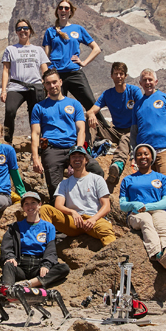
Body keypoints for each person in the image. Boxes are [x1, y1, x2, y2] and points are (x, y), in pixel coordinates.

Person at [31, 69, 104, 201]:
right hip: (52, 149)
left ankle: (94, 202)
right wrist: (36, 158)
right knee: (55, 188)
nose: (52, 86)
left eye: (54, 82)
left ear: (60, 82)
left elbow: (81, 130)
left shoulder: (74, 104)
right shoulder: (39, 107)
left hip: (73, 147)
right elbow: (35, 134)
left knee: (96, 169)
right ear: (45, 86)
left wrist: (79, 150)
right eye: (48, 83)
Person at [129, 68, 166, 225]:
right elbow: (134, 133)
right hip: (144, 155)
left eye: (150, 79)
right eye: (144, 80)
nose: (148, 82)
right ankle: (151, 219)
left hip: (163, 150)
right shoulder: (137, 105)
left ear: (156, 82)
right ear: (140, 83)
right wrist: (134, 155)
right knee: (146, 186)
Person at [42, 0, 105, 126]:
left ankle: (104, 133)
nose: (63, 10)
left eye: (66, 8)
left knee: (90, 102)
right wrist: (46, 79)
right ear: (57, 11)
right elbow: (45, 58)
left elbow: (96, 49)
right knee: (57, 106)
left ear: (70, 12)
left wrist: (84, 62)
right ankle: (59, 137)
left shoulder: (78, 29)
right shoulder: (50, 31)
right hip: (57, 74)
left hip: (75, 72)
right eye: (61, 8)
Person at [119, 144, 166, 271]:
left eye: (146, 154)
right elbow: (122, 205)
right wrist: (133, 205)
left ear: (152, 157)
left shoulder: (162, 178)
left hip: (157, 210)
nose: (143, 157)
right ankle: (157, 253)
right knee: (146, 220)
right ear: (135, 159)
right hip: (136, 213)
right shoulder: (127, 180)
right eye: (139, 154)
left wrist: (147, 206)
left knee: (163, 221)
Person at [39, 146, 116, 246]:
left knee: (105, 229)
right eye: (73, 156)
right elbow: (58, 205)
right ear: (70, 161)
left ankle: (119, 260)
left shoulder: (97, 179)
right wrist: (72, 212)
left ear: (86, 160)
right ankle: (45, 248)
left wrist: (93, 219)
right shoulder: (64, 183)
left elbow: (106, 206)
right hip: (73, 222)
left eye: (80, 156)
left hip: (93, 220)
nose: (77, 159)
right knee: (45, 209)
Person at [86, 62, 144, 191]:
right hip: (116, 131)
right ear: (111, 76)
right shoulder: (108, 94)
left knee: (126, 139)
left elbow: (143, 110)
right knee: (90, 122)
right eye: (116, 73)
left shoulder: (133, 91)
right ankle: (86, 152)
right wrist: (91, 115)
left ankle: (117, 166)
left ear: (125, 76)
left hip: (132, 131)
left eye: (121, 74)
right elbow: (91, 110)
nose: (118, 76)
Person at [0, 192, 70, 289]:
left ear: (39, 204)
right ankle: (7, 292)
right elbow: (6, 246)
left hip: (39, 267)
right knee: (8, 265)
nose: (30, 206)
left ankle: (30, 284)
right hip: (20, 265)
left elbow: (51, 250)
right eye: (26, 204)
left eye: (33, 202)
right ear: (23, 207)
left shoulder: (49, 227)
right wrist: (10, 257)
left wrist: (46, 265)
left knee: (64, 268)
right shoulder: (15, 227)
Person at [1, 19, 49, 142]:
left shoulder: (38, 50)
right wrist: (4, 90)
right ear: (16, 32)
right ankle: (7, 140)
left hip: (36, 86)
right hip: (16, 86)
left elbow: (45, 70)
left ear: (30, 30)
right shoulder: (10, 49)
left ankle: (38, 142)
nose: (22, 31)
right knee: (10, 111)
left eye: (25, 28)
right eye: (19, 29)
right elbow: (6, 70)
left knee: (36, 116)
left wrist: (47, 87)